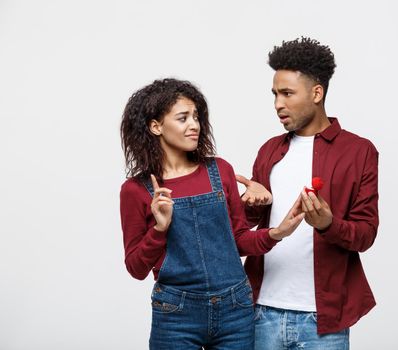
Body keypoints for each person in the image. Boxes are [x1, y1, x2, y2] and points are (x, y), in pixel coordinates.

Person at [119, 78, 304, 349]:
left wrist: (276, 233)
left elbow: (238, 240)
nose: (194, 125)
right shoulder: (135, 190)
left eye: (196, 117)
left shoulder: (220, 170)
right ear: (155, 126)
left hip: (235, 307)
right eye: (183, 118)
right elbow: (136, 268)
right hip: (175, 314)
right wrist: (159, 229)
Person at [236, 37, 380, 349]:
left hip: (323, 321)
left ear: (317, 93)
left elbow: (366, 234)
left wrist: (329, 224)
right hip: (261, 313)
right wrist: (250, 202)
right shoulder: (270, 150)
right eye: (275, 94)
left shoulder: (359, 151)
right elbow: (245, 229)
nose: (278, 104)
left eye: (287, 93)